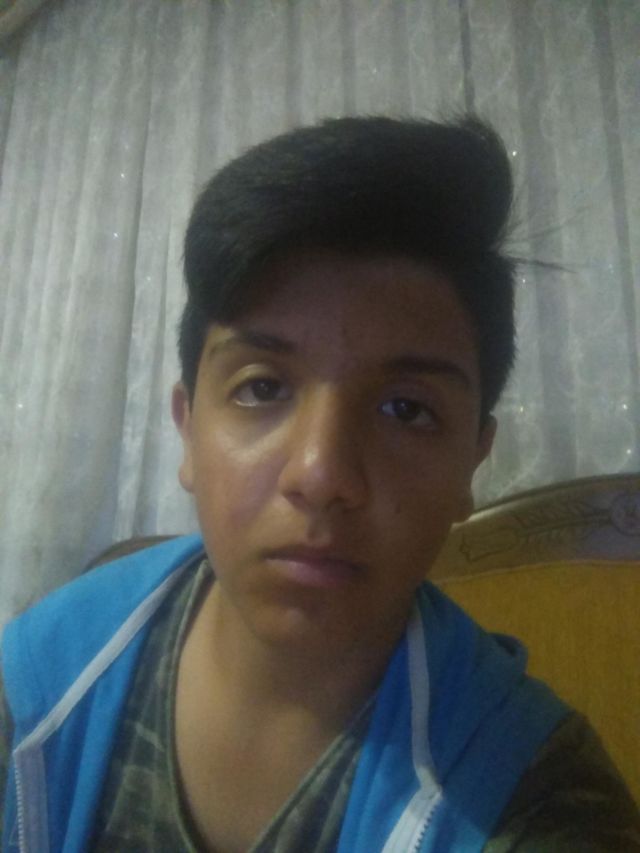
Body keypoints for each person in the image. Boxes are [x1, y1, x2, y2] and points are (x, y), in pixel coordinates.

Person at [1, 116, 638, 852]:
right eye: (262, 386)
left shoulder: (533, 792)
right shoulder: (39, 683)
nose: (322, 474)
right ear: (187, 427)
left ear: (473, 461)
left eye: (406, 409)